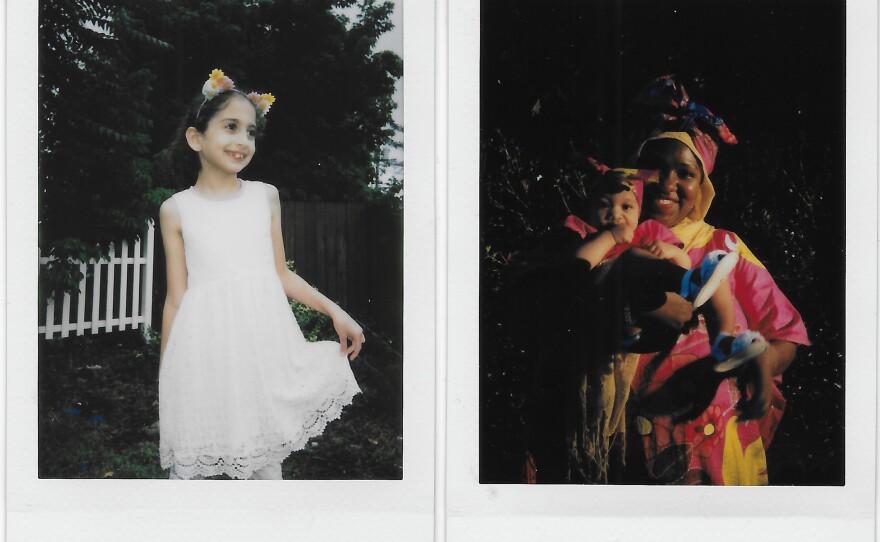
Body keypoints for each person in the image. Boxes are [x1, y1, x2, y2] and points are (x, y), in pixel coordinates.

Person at [158, 69, 365, 480]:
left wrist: (335, 311)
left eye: (251, 132)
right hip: (203, 354)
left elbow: (280, 274)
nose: (243, 141)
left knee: (264, 467)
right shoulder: (175, 209)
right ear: (196, 138)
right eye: (231, 127)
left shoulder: (264, 197)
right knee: (194, 474)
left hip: (258, 352)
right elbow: (176, 297)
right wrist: (168, 372)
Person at [624, 76, 810, 485]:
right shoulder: (612, 242)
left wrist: (764, 360)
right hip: (633, 450)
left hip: (718, 448)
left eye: (685, 173)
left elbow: (785, 333)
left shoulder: (722, 247)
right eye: (655, 167)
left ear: (702, 187)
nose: (668, 183)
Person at [569, 169, 768, 372]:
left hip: (663, 327)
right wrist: (610, 237)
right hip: (626, 325)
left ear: (639, 211)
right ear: (590, 209)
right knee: (631, 258)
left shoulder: (648, 232)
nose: (615, 215)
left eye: (626, 207)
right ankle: (692, 283)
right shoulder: (585, 233)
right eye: (603, 205)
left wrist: (672, 251)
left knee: (716, 278)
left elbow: (682, 265)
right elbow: (579, 266)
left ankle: (723, 342)